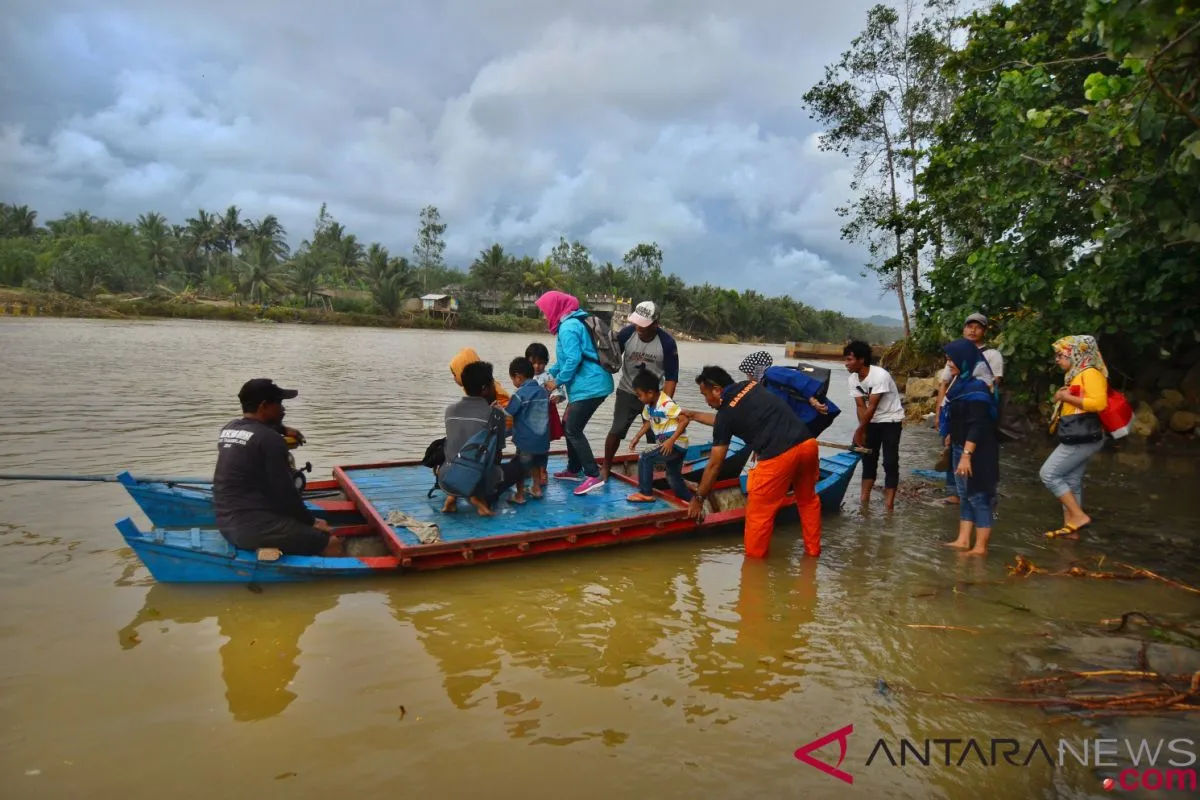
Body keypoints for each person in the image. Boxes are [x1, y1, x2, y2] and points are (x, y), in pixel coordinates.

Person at [682, 366, 821, 559]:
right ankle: (813, 554)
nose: (706, 401)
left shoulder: (725, 414)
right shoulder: (750, 386)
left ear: (717, 390)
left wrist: (699, 498)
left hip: (778, 457)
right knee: (808, 501)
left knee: (758, 517)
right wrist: (693, 415)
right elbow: (731, 418)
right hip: (807, 445)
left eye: (705, 395)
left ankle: (754, 567)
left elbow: (715, 465)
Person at [212, 379, 342, 557]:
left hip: (225, 523)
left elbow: (254, 429)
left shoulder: (228, 429)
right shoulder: (270, 440)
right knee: (331, 542)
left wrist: (282, 428)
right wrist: (312, 522)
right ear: (264, 406)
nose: (283, 409)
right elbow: (286, 494)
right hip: (251, 529)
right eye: (279, 403)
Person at [534, 291, 615, 496]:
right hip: (588, 385)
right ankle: (573, 468)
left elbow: (573, 360)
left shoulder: (568, 327)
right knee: (568, 423)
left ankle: (593, 474)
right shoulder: (571, 323)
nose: (544, 316)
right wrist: (546, 375)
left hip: (591, 386)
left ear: (555, 308)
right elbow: (564, 361)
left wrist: (556, 382)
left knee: (572, 428)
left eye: (545, 311)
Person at [602, 301, 680, 481]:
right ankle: (606, 466)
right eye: (637, 322)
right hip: (627, 390)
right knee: (617, 429)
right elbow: (611, 358)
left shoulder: (667, 343)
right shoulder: (627, 334)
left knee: (658, 434)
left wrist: (664, 404)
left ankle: (660, 470)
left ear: (656, 324)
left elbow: (671, 378)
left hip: (654, 396)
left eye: (643, 324)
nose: (639, 327)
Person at [1040, 335, 1109, 539]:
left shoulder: (1091, 373)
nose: (1057, 360)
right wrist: (1062, 396)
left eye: (1061, 355)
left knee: (1048, 474)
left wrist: (1065, 396)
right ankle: (1071, 530)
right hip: (1079, 434)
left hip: (1084, 436)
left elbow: (1099, 404)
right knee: (1071, 480)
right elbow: (1076, 399)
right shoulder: (1076, 374)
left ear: (1077, 354)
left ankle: (1078, 516)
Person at [439, 361, 525, 516]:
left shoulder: (449, 410)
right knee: (520, 464)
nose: (494, 387)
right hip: (476, 482)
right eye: (492, 383)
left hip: (447, 479)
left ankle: (454, 496)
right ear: (485, 388)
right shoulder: (495, 415)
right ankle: (480, 498)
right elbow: (496, 457)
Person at [934, 313, 1004, 503]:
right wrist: (940, 412)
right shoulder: (957, 352)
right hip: (954, 408)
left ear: (984, 331)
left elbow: (992, 383)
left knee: (976, 450)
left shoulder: (992, 355)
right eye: (969, 326)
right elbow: (944, 383)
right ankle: (955, 492)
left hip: (974, 408)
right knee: (951, 448)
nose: (973, 330)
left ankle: (981, 495)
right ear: (964, 329)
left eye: (978, 327)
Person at [939, 338, 1000, 555]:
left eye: (952, 360)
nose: (949, 364)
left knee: (978, 495)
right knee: (964, 494)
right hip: (959, 445)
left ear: (964, 359)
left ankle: (980, 547)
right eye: (948, 360)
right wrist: (950, 436)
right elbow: (956, 415)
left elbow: (977, 424)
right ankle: (963, 540)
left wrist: (967, 455)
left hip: (977, 450)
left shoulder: (978, 387)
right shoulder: (960, 383)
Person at [844, 340, 904, 511]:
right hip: (871, 421)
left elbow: (872, 406)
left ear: (861, 360)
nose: (846, 363)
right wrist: (862, 430)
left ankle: (889, 505)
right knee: (868, 459)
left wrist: (859, 431)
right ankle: (864, 501)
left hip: (891, 420)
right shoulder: (853, 379)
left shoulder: (880, 375)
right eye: (845, 359)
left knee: (890, 462)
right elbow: (860, 406)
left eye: (849, 359)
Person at [625, 370, 693, 503]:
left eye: (639, 395)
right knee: (673, 477)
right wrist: (637, 437)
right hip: (671, 445)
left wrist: (671, 441)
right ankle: (690, 501)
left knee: (645, 457)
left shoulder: (666, 404)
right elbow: (648, 422)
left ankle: (646, 493)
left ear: (650, 393)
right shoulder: (648, 406)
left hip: (676, 444)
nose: (639, 398)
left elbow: (684, 420)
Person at [503, 356, 551, 501]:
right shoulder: (543, 392)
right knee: (536, 464)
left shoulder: (519, 394)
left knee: (521, 468)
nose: (514, 382)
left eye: (513, 379)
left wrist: (498, 409)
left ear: (518, 377)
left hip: (526, 441)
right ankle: (536, 489)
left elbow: (508, 413)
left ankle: (519, 495)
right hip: (542, 441)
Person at [450, 347, 512, 429]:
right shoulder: (476, 387)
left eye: (455, 374)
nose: (454, 378)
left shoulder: (491, 391)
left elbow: (508, 419)